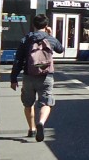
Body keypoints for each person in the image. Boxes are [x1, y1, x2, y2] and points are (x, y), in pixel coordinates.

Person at [10, 14, 64, 142]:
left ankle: (32, 129)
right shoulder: (50, 39)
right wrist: (50, 35)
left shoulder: (26, 39)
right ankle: (41, 122)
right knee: (46, 102)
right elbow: (60, 50)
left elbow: (18, 59)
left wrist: (13, 78)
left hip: (29, 76)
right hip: (46, 76)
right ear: (46, 26)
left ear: (33, 25)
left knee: (28, 104)